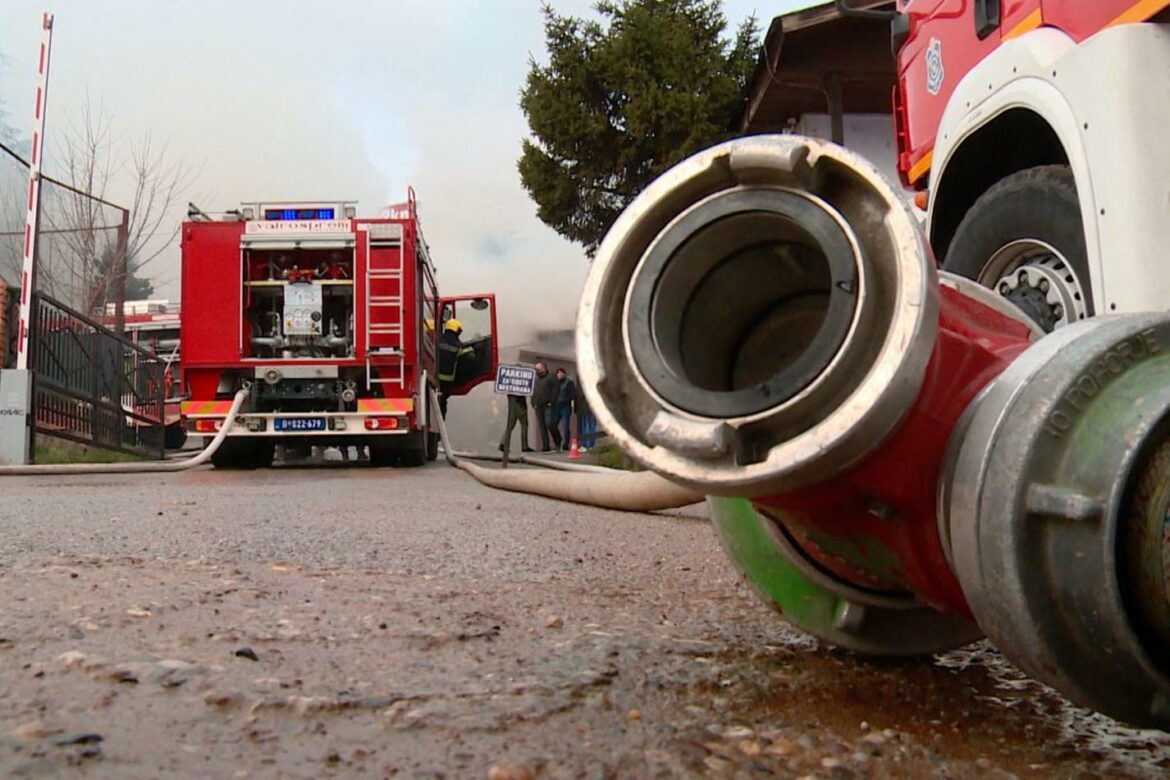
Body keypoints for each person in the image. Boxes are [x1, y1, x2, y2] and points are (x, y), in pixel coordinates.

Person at [437, 318, 474, 418]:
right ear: (457, 331)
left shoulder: (437, 340)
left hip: (434, 381)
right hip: (448, 383)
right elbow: (469, 358)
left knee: (439, 401)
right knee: (442, 403)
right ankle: (441, 420)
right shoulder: (458, 346)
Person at [530, 361, 560, 452]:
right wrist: (533, 402)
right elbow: (534, 391)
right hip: (538, 405)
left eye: (539, 368)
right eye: (536, 369)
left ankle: (557, 441)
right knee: (542, 426)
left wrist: (552, 401)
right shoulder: (536, 379)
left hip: (548, 405)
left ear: (544, 368)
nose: (537, 370)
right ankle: (545, 445)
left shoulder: (551, 376)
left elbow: (556, 389)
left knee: (549, 423)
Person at [552, 367, 575, 450]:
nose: (560, 374)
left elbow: (573, 394)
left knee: (565, 426)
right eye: (558, 373)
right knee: (553, 424)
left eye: (561, 373)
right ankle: (557, 442)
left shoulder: (569, 382)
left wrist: (567, 400)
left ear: (564, 374)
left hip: (565, 406)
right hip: (556, 406)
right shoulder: (555, 383)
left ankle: (566, 444)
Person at [574, 380, 597, 452]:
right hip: (591, 408)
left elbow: (578, 397)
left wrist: (576, 408)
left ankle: (584, 445)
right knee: (591, 426)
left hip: (583, 409)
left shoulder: (582, 386)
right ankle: (591, 445)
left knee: (584, 427)